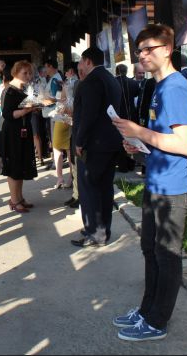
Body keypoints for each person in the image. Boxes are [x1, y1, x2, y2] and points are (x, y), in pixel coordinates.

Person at [112, 24, 187, 342]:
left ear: (167, 49)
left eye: (149, 48)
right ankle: (147, 310)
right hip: (158, 180)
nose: (142, 55)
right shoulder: (160, 87)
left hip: (175, 186)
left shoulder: (175, 88)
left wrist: (140, 132)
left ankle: (157, 321)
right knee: (150, 249)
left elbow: (185, 144)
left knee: (166, 255)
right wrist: (138, 145)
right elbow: (162, 138)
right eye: (139, 50)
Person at [71, 47, 122, 248]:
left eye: (81, 62)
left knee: (90, 189)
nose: (80, 66)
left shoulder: (91, 81)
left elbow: (88, 115)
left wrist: (79, 141)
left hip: (94, 145)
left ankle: (95, 232)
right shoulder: (111, 79)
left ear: (88, 61)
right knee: (105, 189)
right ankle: (101, 229)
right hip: (111, 142)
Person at [0, 60, 39, 213]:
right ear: (15, 73)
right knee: (14, 168)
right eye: (25, 73)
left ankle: (19, 198)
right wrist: (27, 110)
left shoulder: (21, 89)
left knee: (20, 166)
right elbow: (8, 114)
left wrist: (34, 107)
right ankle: (14, 200)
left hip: (22, 131)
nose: (28, 76)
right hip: (12, 134)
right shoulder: (9, 90)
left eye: (30, 73)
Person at [63, 63, 82, 209]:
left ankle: (79, 196)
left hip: (80, 129)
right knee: (73, 163)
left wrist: (71, 112)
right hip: (75, 127)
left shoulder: (80, 84)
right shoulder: (75, 84)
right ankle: (76, 195)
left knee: (77, 163)